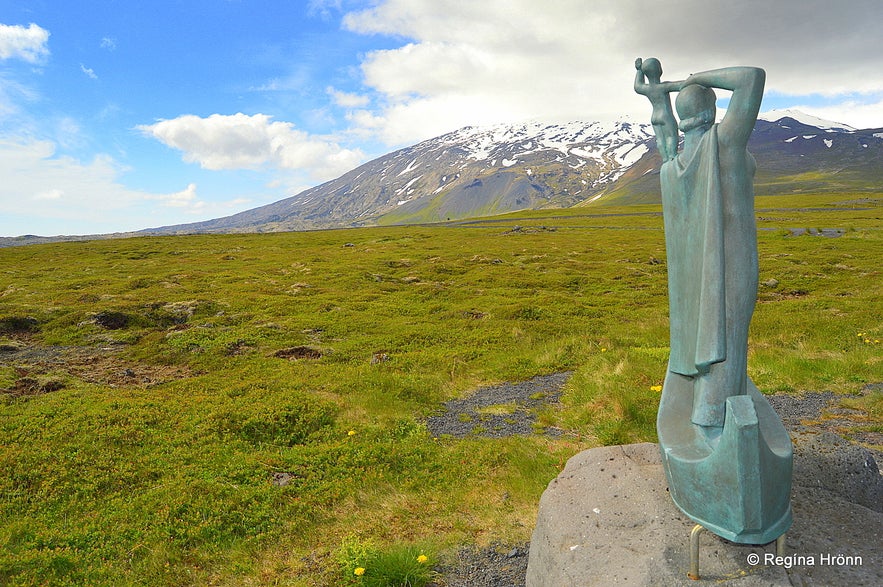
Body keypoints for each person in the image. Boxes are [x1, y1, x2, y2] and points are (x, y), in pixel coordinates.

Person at [637, 62, 766, 428]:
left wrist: (659, 95)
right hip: (732, 265)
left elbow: (663, 129)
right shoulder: (724, 143)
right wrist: (692, 81)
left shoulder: (671, 167)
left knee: (708, 340)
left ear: (684, 117)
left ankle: (707, 415)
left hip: (694, 282)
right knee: (727, 342)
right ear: (711, 112)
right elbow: (751, 78)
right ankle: (715, 426)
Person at [633, 57, 683, 161]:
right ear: (660, 70)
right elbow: (681, 85)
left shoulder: (646, 88)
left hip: (654, 116)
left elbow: (637, 86)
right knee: (671, 137)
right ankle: (672, 158)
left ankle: (665, 160)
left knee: (660, 140)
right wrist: (692, 80)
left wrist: (639, 71)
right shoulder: (664, 86)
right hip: (665, 116)